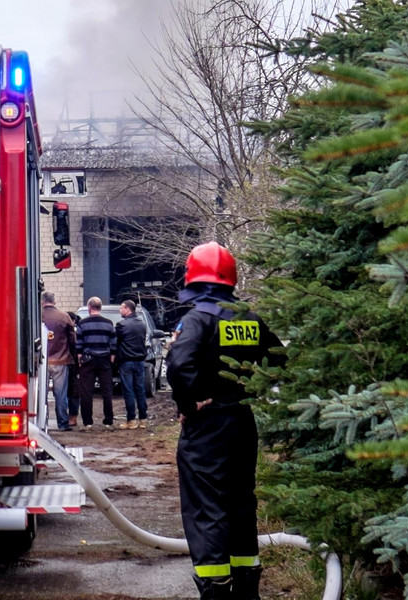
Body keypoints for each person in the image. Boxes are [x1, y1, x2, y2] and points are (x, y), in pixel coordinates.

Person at [166, 241, 285, 600]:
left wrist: (189, 404)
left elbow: (178, 366)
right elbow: (278, 358)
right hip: (242, 421)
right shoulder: (250, 318)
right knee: (240, 503)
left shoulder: (198, 319)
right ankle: (247, 588)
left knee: (208, 507)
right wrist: (249, 388)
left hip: (207, 426)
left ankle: (215, 589)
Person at [76, 296, 116, 431]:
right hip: (104, 359)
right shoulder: (109, 323)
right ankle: (108, 421)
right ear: (100, 308)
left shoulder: (83, 324)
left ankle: (88, 422)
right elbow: (113, 344)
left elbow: (79, 343)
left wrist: (80, 357)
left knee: (86, 392)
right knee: (107, 391)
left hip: (88, 360)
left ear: (89, 308)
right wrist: (111, 357)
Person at [40, 291, 76, 432]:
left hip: (42, 361)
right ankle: (63, 423)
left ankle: (41, 423)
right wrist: (70, 354)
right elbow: (72, 339)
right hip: (60, 360)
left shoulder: (38, 316)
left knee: (41, 394)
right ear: (54, 302)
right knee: (60, 394)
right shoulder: (64, 316)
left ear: (42, 302)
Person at [115, 299, 148, 429]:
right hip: (140, 361)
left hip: (126, 361)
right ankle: (143, 419)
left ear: (128, 309)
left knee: (128, 390)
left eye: (121, 308)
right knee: (140, 389)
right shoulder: (142, 324)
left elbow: (116, 342)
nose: (120, 310)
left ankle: (131, 420)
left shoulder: (121, 325)